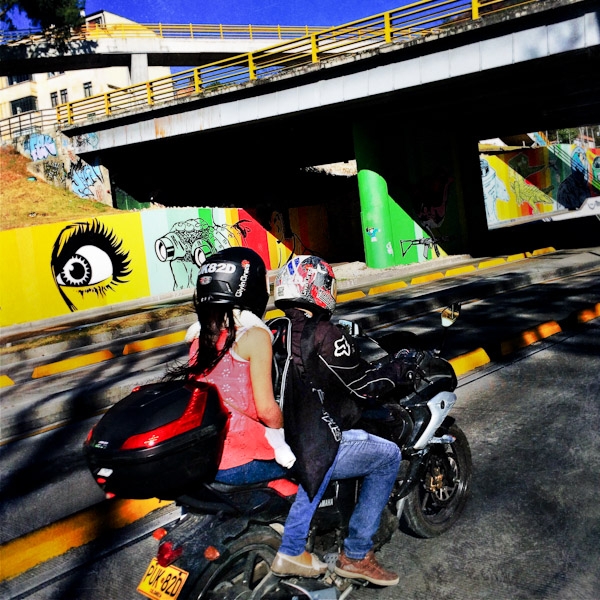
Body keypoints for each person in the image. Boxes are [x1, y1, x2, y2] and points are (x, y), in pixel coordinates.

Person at [270, 255, 406, 586]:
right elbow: (364, 384)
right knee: (389, 456)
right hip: (311, 441)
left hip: (276, 436)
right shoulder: (323, 333)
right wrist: (400, 367)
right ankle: (357, 554)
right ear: (317, 288)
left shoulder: (274, 329)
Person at [179, 247, 295, 485]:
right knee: (313, 475)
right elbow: (265, 410)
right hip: (246, 458)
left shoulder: (198, 340)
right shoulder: (255, 336)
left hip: (209, 459)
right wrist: (283, 431)